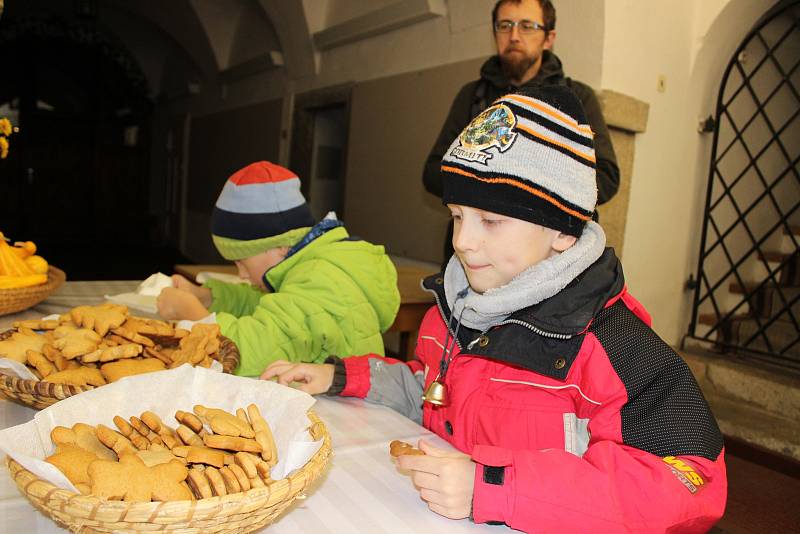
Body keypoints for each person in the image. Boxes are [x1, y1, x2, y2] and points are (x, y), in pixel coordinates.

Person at [262, 87, 727, 532]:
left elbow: (687, 483)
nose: (462, 242)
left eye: (492, 220)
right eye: (458, 216)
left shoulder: (616, 347)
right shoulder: (451, 310)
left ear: (563, 231)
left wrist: (493, 487)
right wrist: (344, 377)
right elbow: (432, 389)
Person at [157, 161, 400, 378]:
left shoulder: (321, 281)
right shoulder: (314, 267)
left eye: (242, 261)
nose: (241, 274)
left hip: (349, 417)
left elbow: (249, 352)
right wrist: (208, 297)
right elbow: (271, 307)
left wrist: (195, 316)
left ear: (279, 246)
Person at [423, 0, 619, 265]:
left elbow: (605, 177)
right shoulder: (472, 97)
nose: (514, 36)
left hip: (552, 261)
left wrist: (520, 197)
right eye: (505, 25)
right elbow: (434, 171)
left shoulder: (578, 98)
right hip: (472, 260)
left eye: (527, 26)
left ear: (549, 38)